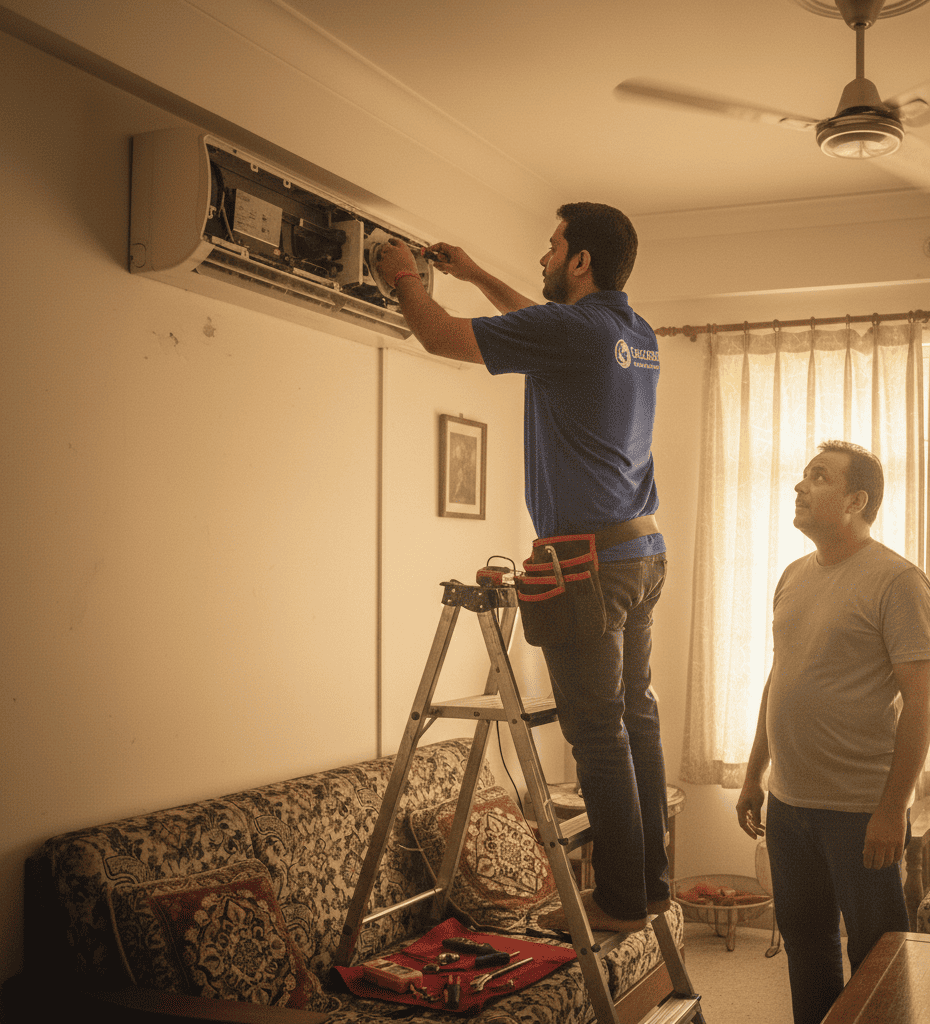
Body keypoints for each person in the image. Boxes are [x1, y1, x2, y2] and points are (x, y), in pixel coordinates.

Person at [376, 203, 670, 934]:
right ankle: (651, 887)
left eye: (552, 245)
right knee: (635, 718)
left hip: (589, 564)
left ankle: (621, 902)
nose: (544, 257)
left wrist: (403, 273)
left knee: (597, 734)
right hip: (640, 553)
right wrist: (477, 275)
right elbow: (541, 323)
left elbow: (438, 336)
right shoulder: (633, 333)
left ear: (580, 261)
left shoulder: (573, 331)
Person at [736, 440, 930, 1024]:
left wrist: (893, 810)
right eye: (803, 475)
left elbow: (922, 700)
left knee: (878, 959)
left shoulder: (898, 581)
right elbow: (780, 680)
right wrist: (753, 775)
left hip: (859, 811)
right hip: (788, 804)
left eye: (819, 477)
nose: (800, 485)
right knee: (807, 950)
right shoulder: (793, 575)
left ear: (856, 501)